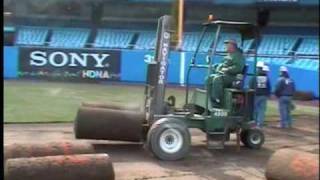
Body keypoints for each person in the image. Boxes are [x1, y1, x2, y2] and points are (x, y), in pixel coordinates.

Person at [209, 39, 245, 107]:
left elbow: (238, 68)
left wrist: (227, 69)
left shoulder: (238, 56)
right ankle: (209, 98)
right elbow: (223, 64)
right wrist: (216, 66)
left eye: (227, 45)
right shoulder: (228, 55)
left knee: (217, 79)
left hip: (233, 77)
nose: (225, 47)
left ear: (232, 46)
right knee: (209, 78)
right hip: (225, 75)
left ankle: (218, 100)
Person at [249, 63, 271, 128]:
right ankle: (259, 124)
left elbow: (250, 85)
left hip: (256, 95)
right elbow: (269, 87)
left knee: (254, 110)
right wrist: (268, 94)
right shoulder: (266, 77)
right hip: (264, 96)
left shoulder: (254, 77)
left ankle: (254, 123)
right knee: (262, 110)